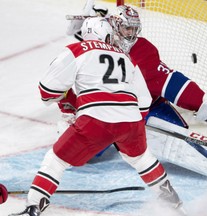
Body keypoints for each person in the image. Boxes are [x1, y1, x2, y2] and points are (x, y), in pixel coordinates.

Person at [9, 17, 184, 216]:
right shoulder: (126, 57)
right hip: (131, 121)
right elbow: (143, 102)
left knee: (56, 160)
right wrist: (127, 122)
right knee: (143, 160)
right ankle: (175, 205)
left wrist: (68, 102)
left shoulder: (77, 50)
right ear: (107, 35)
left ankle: (33, 207)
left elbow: (47, 90)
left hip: (94, 120)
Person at [64, 2, 207, 178]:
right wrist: (71, 109)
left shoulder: (142, 51)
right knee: (82, 156)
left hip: (149, 107)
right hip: (109, 113)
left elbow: (171, 81)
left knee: (178, 136)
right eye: (126, 28)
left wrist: (205, 107)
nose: (130, 34)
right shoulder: (93, 50)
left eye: (134, 29)